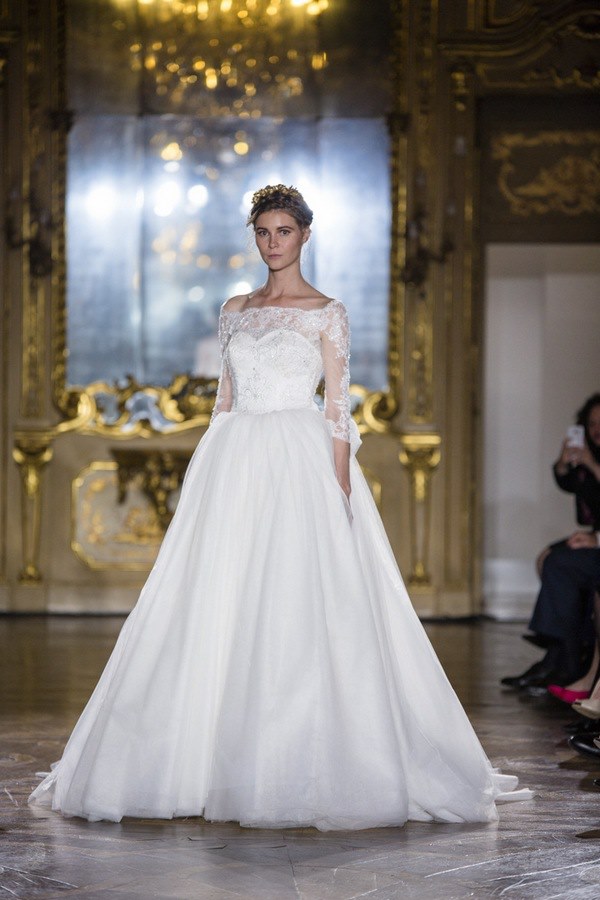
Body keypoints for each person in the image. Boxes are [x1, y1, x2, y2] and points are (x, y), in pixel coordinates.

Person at [29, 184, 530, 828]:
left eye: (284, 232)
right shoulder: (235, 308)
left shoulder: (326, 312)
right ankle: (199, 757)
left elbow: (337, 407)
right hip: (234, 459)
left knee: (295, 596)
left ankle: (298, 757)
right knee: (217, 596)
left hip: (298, 460)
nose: (272, 243)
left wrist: (339, 487)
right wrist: (206, 477)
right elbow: (225, 400)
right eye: (263, 232)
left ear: (305, 235)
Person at [502, 394, 600, 691]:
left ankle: (563, 661)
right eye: (591, 423)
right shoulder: (590, 455)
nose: (596, 429)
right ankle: (559, 657)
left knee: (559, 564)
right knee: (547, 558)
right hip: (595, 535)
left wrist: (596, 539)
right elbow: (566, 481)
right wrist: (563, 461)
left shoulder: (593, 459)